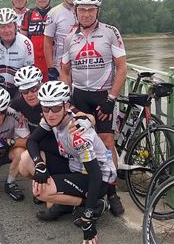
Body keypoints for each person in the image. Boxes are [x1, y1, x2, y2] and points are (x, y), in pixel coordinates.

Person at [60, 0, 128, 216]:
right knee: (80, 140)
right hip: (79, 95)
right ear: (76, 12)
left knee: (107, 141)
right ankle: (89, 186)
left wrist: (111, 98)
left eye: (91, 9)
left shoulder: (110, 32)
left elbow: (122, 67)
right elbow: (64, 69)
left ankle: (111, 191)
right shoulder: (70, 37)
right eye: (82, 9)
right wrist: (65, 97)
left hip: (102, 96)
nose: (86, 14)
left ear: (97, 11)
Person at [27, 81, 115, 244]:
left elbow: (95, 175)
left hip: (98, 177)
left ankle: (96, 203)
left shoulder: (78, 131)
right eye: (45, 108)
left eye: (55, 108)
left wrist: (88, 220)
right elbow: (32, 141)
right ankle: (72, 203)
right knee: (27, 160)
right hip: (74, 166)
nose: (50, 114)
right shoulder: (50, 118)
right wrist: (39, 164)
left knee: (42, 192)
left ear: (66, 106)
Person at [43, 0, 82, 81]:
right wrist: (51, 68)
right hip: (60, 68)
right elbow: (47, 43)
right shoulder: (53, 13)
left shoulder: (87, 11)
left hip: (82, 67)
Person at [20, 0, 54, 82]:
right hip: (33, 61)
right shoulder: (28, 14)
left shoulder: (55, 13)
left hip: (50, 60)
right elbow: (23, 39)